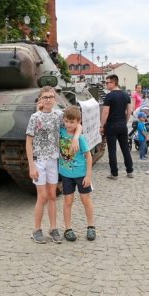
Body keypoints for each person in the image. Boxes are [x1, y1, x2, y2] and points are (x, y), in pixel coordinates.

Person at [25, 86, 79, 244]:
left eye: (51, 97)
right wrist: (31, 166)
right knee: (42, 197)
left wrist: (76, 137)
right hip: (39, 161)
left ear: (55, 99)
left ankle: (53, 228)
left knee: (52, 196)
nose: (48, 99)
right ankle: (36, 230)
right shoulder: (35, 117)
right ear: (40, 99)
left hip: (53, 161)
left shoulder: (59, 115)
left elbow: (77, 123)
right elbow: (28, 143)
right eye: (45, 97)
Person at [59, 106, 96, 242]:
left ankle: (91, 226)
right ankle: (68, 228)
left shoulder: (80, 138)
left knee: (85, 200)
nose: (69, 124)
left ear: (78, 122)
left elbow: (89, 156)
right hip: (66, 174)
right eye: (67, 121)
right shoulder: (61, 132)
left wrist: (88, 175)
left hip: (81, 174)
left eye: (72, 122)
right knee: (68, 201)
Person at [100, 74, 134, 179]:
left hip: (111, 126)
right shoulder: (125, 95)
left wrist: (101, 126)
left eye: (107, 82)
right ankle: (130, 171)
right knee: (125, 149)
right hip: (122, 125)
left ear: (114, 83)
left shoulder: (109, 96)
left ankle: (114, 174)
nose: (106, 84)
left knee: (112, 150)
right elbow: (129, 111)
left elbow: (105, 112)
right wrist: (125, 121)